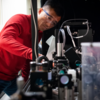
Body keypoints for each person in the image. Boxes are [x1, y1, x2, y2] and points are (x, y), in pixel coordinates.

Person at [0, 0, 64, 96]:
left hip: (12, 78)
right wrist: (33, 54)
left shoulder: (38, 33)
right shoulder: (19, 19)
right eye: (49, 17)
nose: (49, 24)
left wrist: (25, 81)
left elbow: (27, 59)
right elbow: (4, 40)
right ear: (40, 11)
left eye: (54, 23)